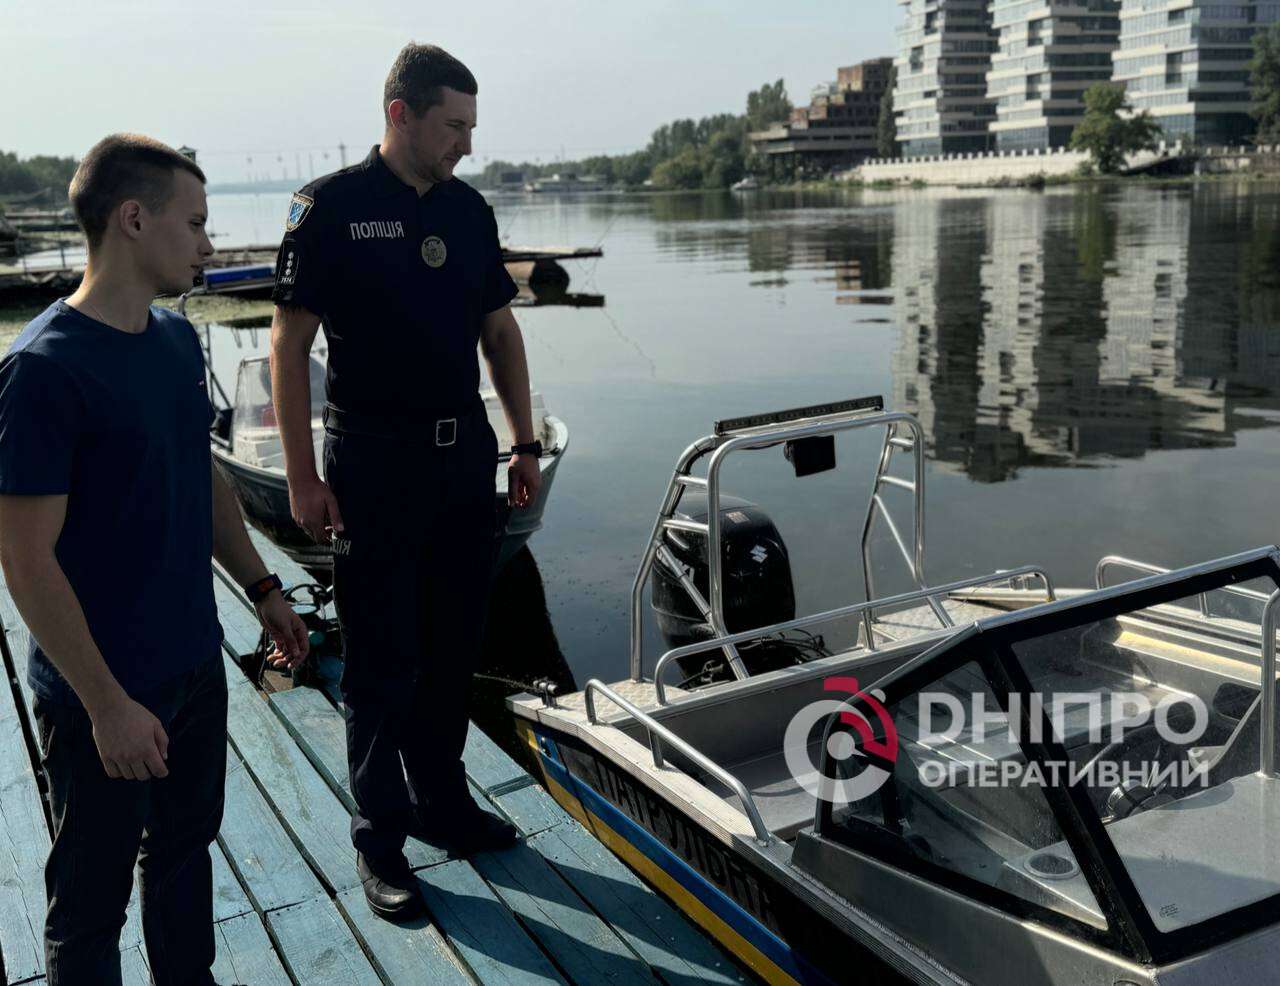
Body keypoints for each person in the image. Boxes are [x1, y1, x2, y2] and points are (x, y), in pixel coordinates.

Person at [0, 134, 309, 986]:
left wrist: (262, 587)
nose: (210, 244)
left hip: (192, 668)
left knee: (182, 855)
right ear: (134, 220)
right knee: (89, 907)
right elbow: (25, 564)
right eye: (197, 223)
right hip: (101, 692)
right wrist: (106, 707)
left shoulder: (175, 342)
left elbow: (200, 473)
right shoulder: (41, 371)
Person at [270, 43, 541, 919]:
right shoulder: (331, 210)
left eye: (471, 125)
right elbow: (289, 345)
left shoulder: (467, 210)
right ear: (401, 115)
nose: (466, 141)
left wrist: (524, 444)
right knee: (382, 663)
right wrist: (304, 479)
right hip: (373, 463)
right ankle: (380, 841)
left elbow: (501, 335)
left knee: (455, 647)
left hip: (463, 459)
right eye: (454, 125)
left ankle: (442, 802)